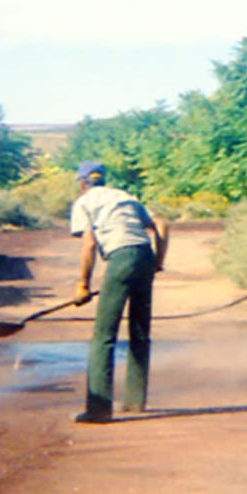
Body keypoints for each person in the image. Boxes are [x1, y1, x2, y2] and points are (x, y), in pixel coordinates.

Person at [69, 160, 169, 424]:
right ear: (102, 179)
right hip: (144, 255)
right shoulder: (125, 196)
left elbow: (89, 244)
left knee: (104, 336)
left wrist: (83, 284)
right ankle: (135, 401)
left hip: (121, 257)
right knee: (139, 330)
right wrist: (158, 262)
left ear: (82, 184)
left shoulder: (84, 202)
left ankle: (99, 409)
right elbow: (161, 225)